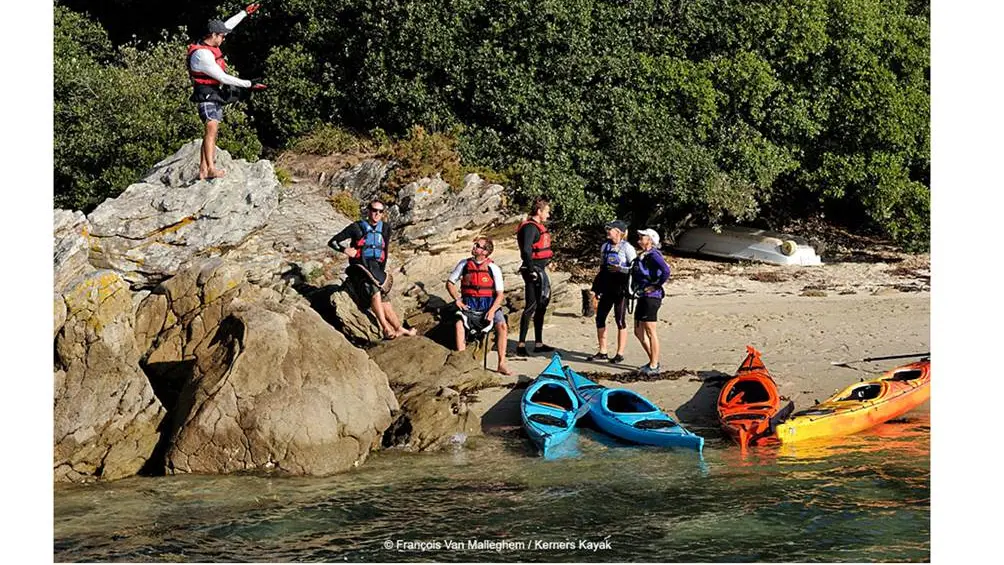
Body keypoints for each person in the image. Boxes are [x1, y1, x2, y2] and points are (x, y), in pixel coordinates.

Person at [186, 3, 267, 180]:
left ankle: (202, 168)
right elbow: (222, 77)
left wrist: (244, 13)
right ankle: (211, 169)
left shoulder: (211, 39)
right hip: (205, 92)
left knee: (211, 131)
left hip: (214, 92)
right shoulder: (202, 55)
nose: (224, 38)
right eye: (221, 36)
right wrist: (249, 84)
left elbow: (228, 25)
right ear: (213, 35)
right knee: (211, 126)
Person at [327, 200, 416, 339]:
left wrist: (381, 273)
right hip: (359, 268)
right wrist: (344, 249)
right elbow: (332, 242)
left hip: (375, 269)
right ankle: (385, 328)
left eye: (380, 211)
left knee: (385, 299)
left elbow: (385, 252)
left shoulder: (385, 228)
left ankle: (399, 328)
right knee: (375, 292)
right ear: (368, 211)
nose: (377, 214)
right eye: (374, 210)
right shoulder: (356, 227)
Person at [445, 237, 512, 375]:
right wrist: (457, 299)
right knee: (459, 325)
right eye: (475, 244)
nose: (474, 247)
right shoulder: (464, 264)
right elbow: (450, 283)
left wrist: (492, 311)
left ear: (485, 252)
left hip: (488, 304)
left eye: (478, 245)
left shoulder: (493, 268)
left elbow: (500, 295)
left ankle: (501, 363)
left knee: (502, 325)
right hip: (469, 304)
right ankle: (462, 361)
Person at [587, 220, 637, 364]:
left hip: (621, 289)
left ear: (619, 232)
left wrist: (620, 269)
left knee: (620, 320)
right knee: (600, 318)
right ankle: (602, 351)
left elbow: (635, 269)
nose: (608, 231)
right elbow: (602, 268)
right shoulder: (605, 246)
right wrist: (596, 288)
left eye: (611, 229)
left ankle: (619, 353)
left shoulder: (627, 248)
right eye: (608, 228)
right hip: (607, 288)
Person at [515, 197, 556, 356]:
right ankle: (521, 345)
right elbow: (526, 250)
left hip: (540, 269)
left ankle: (538, 343)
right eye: (547, 211)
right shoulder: (530, 228)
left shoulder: (537, 227)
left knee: (542, 305)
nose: (549, 214)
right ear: (539, 211)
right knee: (531, 306)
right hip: (532, 271)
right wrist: (531, 270)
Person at [631, 228, 671, 374]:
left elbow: (666, 271)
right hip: (642, 295)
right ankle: (653, 360)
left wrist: (655, 285)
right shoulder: (644, 255)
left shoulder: (654, 255)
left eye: (642, 237)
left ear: (650, 240)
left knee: (650, 330)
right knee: (638, 331)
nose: (639, 239)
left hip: (652, 297)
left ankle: (654, 365)